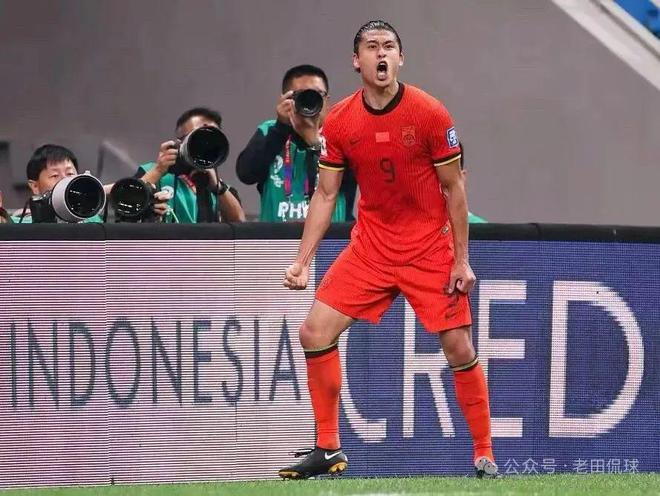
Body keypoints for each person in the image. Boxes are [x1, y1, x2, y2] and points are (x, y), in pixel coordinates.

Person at [280, 20, 499, 479]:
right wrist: (301, 260)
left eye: (389, 47)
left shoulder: (430, 113)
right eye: (371, 47)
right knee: (313, 333)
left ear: (401, 58)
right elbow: (326, 194)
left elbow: (454, 188)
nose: (381, 54)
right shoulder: (340, 120)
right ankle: (328, 448)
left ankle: (484, 454)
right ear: (356, 60)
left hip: (429, 248)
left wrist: (461, 259)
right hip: (372, 248)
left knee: (458, 346)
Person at [236, 65, 356, 222]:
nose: (309, 102)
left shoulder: (342, 137)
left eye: (317, 95)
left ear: (327, 102)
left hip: (331, 236)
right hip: (276, 236)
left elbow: (353, 180)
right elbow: (246, 174)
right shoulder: (270, 131)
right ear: (286, 100)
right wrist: (280, 128)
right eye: (301, 96)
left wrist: (315, 142)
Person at [137, 107, 245, 223]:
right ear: (179, 142)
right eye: (198, 136)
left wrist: (218, 188)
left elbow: (239, 224)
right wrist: (158, 170)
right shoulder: (151, 171)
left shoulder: (222, 189)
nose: (204, 144)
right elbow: (126, 202)